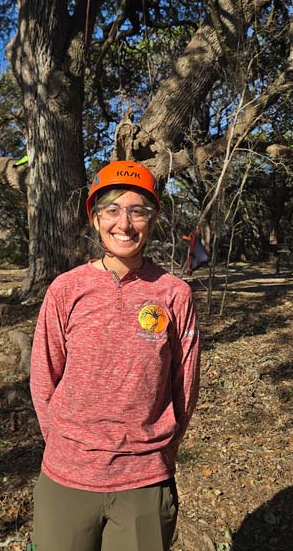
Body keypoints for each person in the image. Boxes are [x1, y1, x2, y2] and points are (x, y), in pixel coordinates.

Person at [30, 160, 201, 551]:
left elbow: (185, 386)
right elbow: (43, 377)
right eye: (112, 210)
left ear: (152, 219)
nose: (124, 224)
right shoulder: (66, 290)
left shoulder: (175, 295)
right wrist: (64, 446)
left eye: (137, 211)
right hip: (67, 478)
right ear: (95, 219)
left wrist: (161, 451)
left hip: (144, 480)